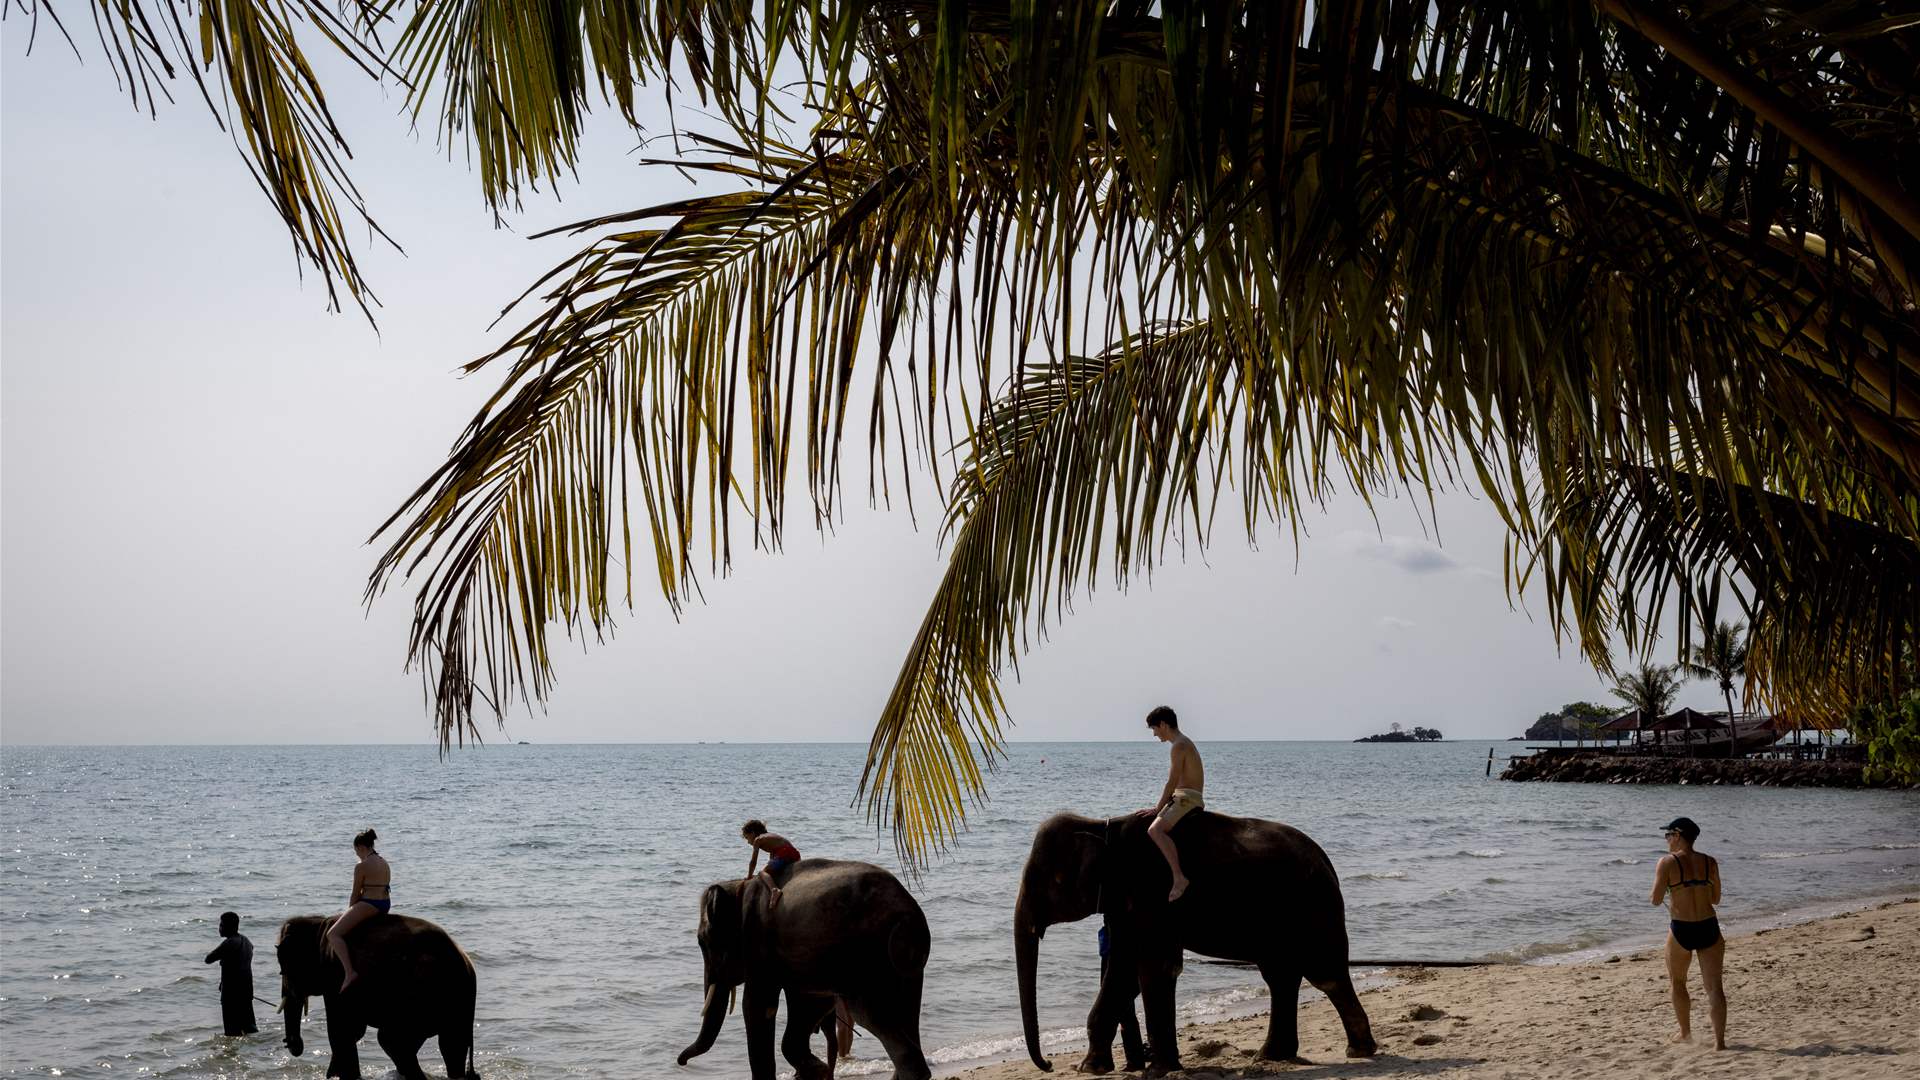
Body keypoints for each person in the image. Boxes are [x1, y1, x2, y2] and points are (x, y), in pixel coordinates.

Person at [1648, 816, 1726, 1050]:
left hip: (1682, 928)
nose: (1666, 840)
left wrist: (1674, 888)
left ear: (1678, 836)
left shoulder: (1666, 862)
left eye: (1668, 835)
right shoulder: (1710, 862)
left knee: (1678, 982)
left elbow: (1655, 899)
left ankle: (1685, 1033)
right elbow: (1716, 899)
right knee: (1714, 987)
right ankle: (1719, 1043)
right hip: (1708, 926)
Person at [1135, 705, 1204, 901]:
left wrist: (1158, 808)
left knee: (1154, 831)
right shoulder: (1181, 743)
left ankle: (1179, 877)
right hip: (1182, 796)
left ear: (1163, 725)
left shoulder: (1179, 746)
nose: (1155, 734)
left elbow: (1172, 782)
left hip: (1187, 798)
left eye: (1154, 729)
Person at [326, 827, 393, 992]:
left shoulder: (362, 866)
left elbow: (355, 893)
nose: (356, 854)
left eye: (356, 851)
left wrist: (350, 911)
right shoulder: (384, 861)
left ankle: (349, 973)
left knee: (333, 934)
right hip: (385, 903)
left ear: (361, 847)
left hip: (369, 904)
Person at [204, 911, 258, 1036]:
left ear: (231, 927)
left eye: (222, 925)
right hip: (246, 991)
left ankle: (232, 1054)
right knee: (250, 1028)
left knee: (232, 1032)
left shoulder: (230, 942)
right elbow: (238, 964)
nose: (220, 928)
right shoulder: (247, 941)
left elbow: (208, 959)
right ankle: (255, 1052)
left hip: (232, 994)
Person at [742, 819, 801, 908]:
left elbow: (753, 861)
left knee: (762, 873)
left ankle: (774, 889)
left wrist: (749, 876)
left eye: (747, 837)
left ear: (753, 833)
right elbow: (773, 857)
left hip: (784, 853)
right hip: (794, 854)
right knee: (770, 871)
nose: (748, 842)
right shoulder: (771, 838)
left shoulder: (758, 840)